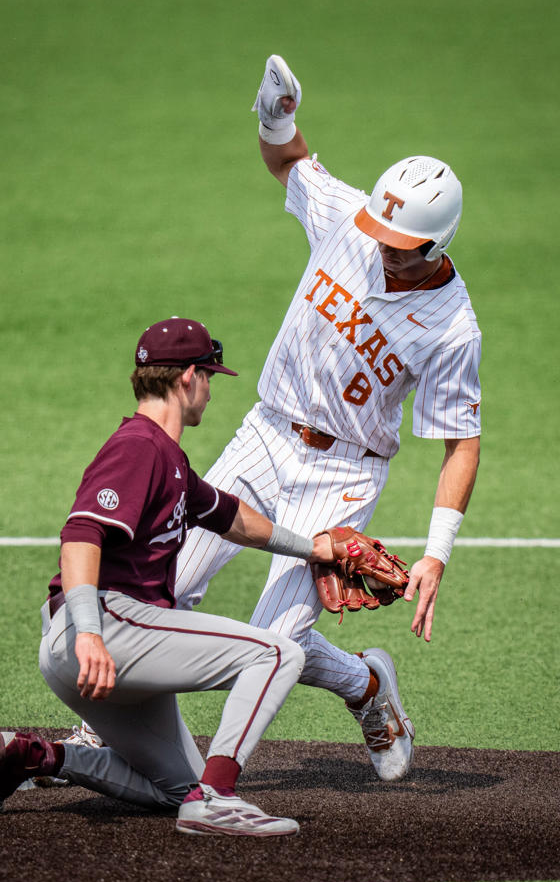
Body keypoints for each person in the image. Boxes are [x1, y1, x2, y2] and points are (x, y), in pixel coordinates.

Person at [171, 55, 482, 780]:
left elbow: (461, 445)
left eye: (401, 249)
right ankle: (108, 731)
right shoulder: (353, 219)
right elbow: (288, 161)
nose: (380, 248)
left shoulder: (452, 327)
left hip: (342, 474)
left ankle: (365, 690)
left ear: (438, 247)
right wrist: (274, 113)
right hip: (264, 433)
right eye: (379, 231)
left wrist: (436, 553)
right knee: (167, 584)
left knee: (272, 639)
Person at [0, 317, 352, 837]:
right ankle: (220, 798)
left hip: (95, 654)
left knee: (175, 790)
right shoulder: (139, 447)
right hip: (105, 631)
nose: (211, 393)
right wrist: (90, 633)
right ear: (188, 377)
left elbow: (232, 517)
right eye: (211, 378)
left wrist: (314, 548)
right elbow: (81, 534)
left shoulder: (167, 457)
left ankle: (37, 757)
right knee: (277, 651)